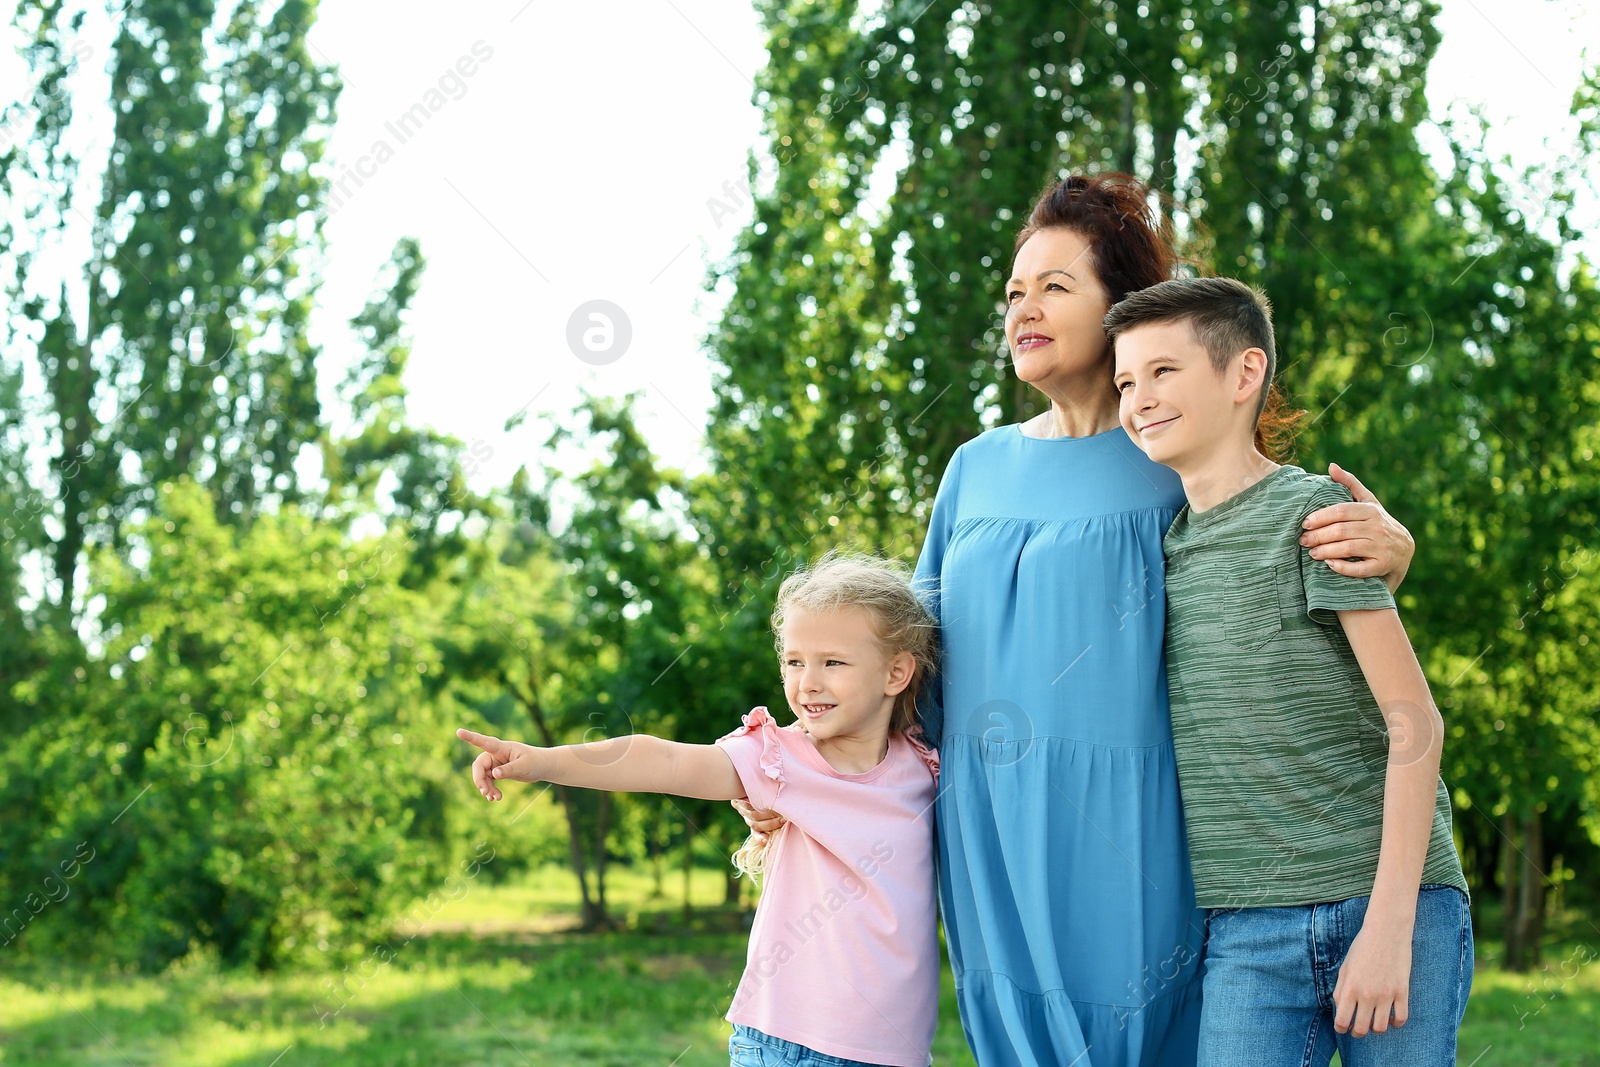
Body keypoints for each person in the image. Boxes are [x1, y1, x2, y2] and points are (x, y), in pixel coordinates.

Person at [738, 173, 1418, 1067]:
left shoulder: (1170, 458)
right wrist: (805, 764)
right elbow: (895, 664)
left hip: (1140, 823)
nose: (1025, 307)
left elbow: (1275, 540)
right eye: (1015, 291)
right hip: (985, 824)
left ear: (1120, 309)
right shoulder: (972, 470)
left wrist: (1393, 543)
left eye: (1056, 286)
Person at [1107, 276, 1472, 1066]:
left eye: (1163, 371)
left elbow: (1417, 722)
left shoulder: (1317, 519)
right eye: (1126, 381)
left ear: (1244, 375)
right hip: (1244, 926)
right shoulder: (1153, 554)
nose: (1138, 398)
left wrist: (1388, 924)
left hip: (1390, 899)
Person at [459, 553, 943, 1067]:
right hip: (793, 1046)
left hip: (897, 1052)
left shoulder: (924, 765)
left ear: (896, 672)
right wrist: (540, 761)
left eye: (833, 662)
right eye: (794, 661)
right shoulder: (779, 760)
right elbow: (662, 760)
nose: (807, 682)